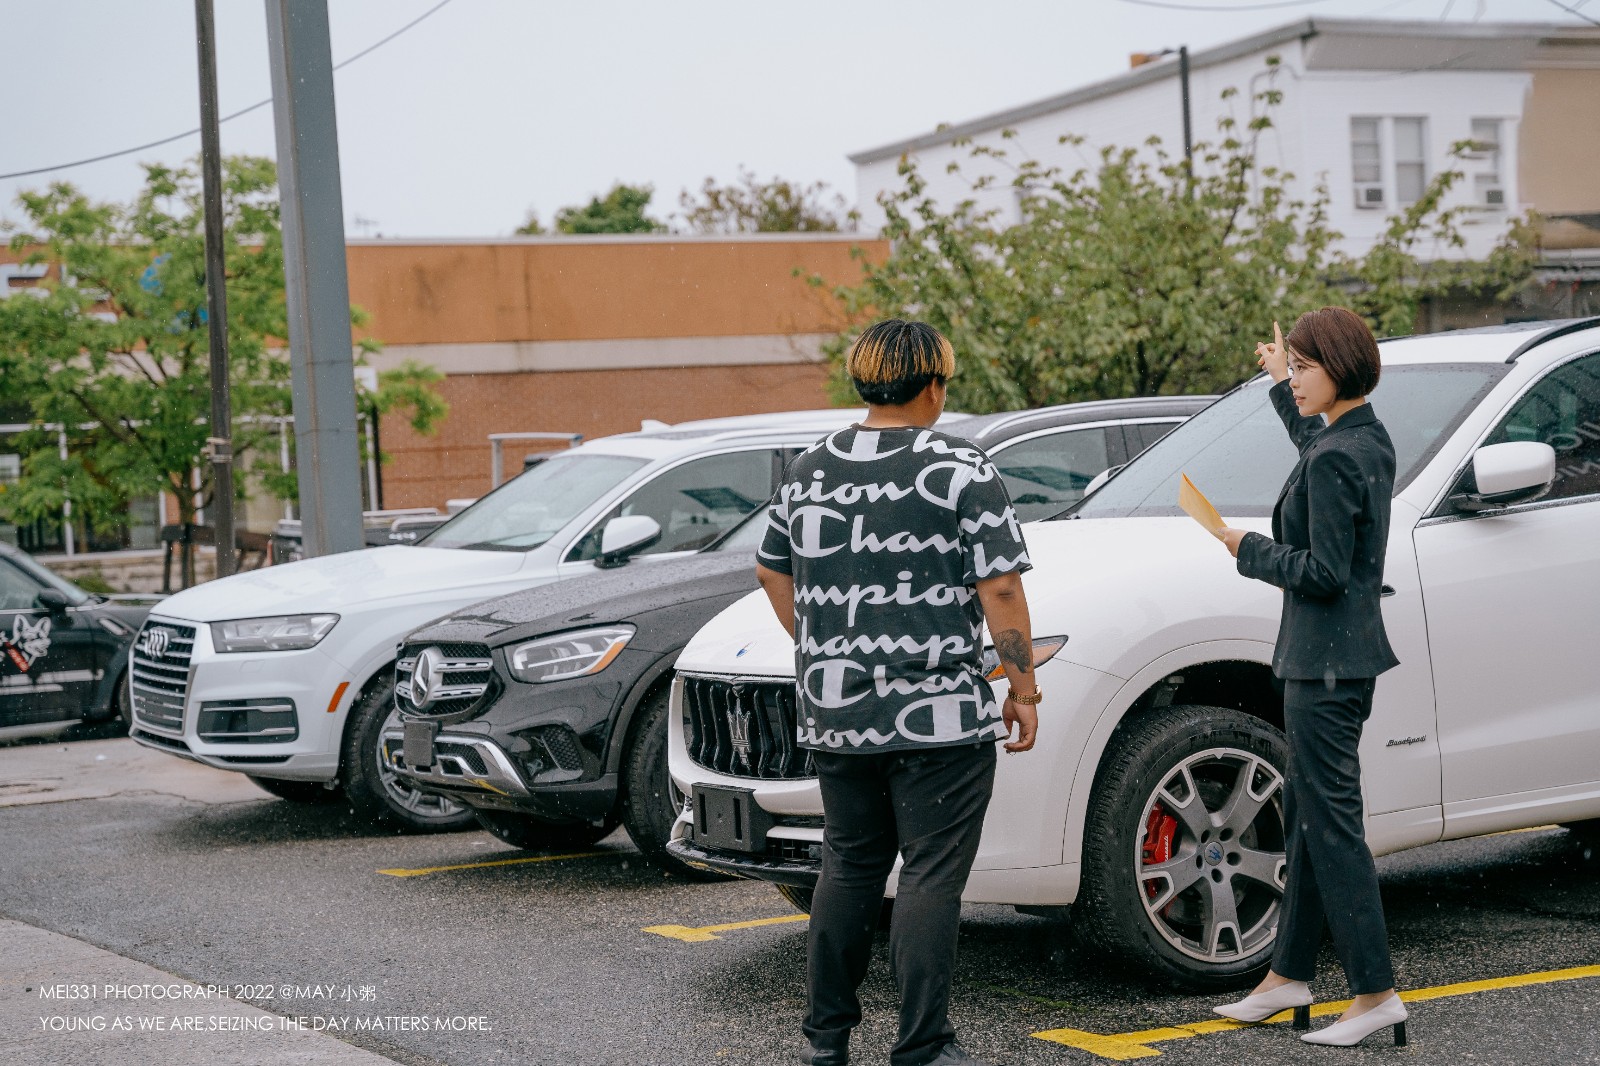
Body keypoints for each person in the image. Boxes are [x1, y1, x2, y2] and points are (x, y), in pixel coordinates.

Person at [755, 319, 1041, 1066]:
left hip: (838, 714)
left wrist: (824, 647)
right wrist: (1023, 688)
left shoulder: (810, 469)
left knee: (848, 868)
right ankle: (922, 1046)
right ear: (933, 386)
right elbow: (1001, 587)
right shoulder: (960, 465)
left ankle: (826, 1043)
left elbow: (771, 569)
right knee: (930, 876)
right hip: (939, 717)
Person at [1211, 307, 1408, 1048]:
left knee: (1331, 827)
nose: (1293, 380)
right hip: (1343, 660)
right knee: (1305, 813)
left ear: (1340, 367)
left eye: (1302, 368)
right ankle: (1287, 976)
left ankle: (1375, 991)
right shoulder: (1364, 438)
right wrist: (1277, 384)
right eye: (1290, 367)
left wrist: (1244, 546)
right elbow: (1316, 449)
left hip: (1324, 664)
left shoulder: (1336, 456)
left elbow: (1323, 572)